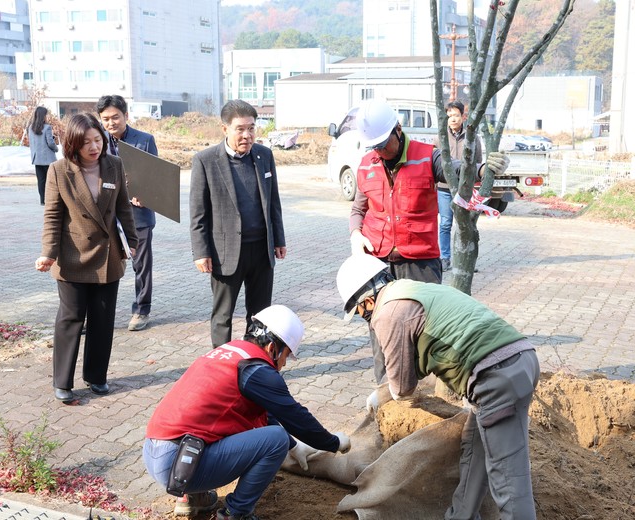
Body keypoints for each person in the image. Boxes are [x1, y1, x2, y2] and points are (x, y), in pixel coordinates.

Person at [336, 254, 540, 520]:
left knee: (509, 481)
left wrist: (382, 394)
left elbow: (402, 388)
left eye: (359, 312)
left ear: (368, 301)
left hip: (495, 377)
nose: (364, 317)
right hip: (517, 360)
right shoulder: (412, 290)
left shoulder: (388, 313)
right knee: (475, 450)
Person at [348, 98, 508, 383]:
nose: (380, 151)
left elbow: (458, 170)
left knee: (424, 333)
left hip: (419, 263)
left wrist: (484, 169)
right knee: (382, 332)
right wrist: (356, 234)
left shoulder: (427, 157)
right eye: (375, 147)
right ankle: (388, 392)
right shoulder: (366, 164)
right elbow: (358, 209)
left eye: (384, 144)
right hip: (379, 265)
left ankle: (420, 390)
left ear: (398, 130)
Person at [143, 304, 351, 520]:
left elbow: (263, 414)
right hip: (178, 465)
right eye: (286, 355)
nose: (284, 363)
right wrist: (333, 443)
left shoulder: (229, 352)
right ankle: (236, 513)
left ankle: (193, 498)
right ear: (272, 348)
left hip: (156, 453)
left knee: (216, 423)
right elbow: (295, 416)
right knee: (276, 440)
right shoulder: (257, 370)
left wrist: (294, 446)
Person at [35, 112, 138, 403]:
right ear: (73, 144)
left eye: (98, 140)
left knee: (103, 320)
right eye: (86, 142)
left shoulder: (114, 165)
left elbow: (123, 207)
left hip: (108, 255)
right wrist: (48, 253)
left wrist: (132, 242)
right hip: (73, 256)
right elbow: (52, 216)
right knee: (71, 318)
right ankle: (62, 380)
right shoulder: (59, 170)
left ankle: (96, 376)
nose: (94, 147)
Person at [190, 100, 286, 347]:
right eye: (240, 129)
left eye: (251, 128)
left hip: (261, 250)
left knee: (261, 313)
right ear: (225, 129)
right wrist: (201, 252)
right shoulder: (205, 160)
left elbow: (273, 202)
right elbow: (198, 213)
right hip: (226, 252)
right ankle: (221, 360)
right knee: (223, 315)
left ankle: (256, 356)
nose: (247, 135)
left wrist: (279, 239)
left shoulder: (264, 155)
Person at [97, 94, 159, 332]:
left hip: (138, 214)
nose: (110, 123)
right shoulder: (96, 141)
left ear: (126, 115)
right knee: (101, 264)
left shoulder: (144, 140)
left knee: (141, 265)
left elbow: (155, 176)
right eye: (105, 119)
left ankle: (142, 310)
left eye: (115, 117)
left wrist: (146, 194)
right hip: (105, 214)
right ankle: (96, 313)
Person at [436, 101, 482, 272]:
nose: (453, 119)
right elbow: (434, 163)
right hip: (444, 188)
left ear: (463, 116)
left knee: (465, 225)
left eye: (456, 115)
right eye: (449, 116)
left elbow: (478, 163)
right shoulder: (440, 137)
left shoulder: (473, 138)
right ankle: (444, 258)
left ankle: (466, 259)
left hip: (464, 189)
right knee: (445, 224)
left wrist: (474, 186)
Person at [27, 106, 59, 205]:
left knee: (41, 180)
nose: (47, 116)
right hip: (47, 159)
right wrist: (56, 149)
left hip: (37, 158)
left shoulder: (30, 128)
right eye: (46, 114)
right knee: (51, 180)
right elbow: (50, 143)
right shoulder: (47, 127)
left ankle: (42, 200)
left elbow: (32, 142)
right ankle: (51, 199)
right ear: (43, 116)